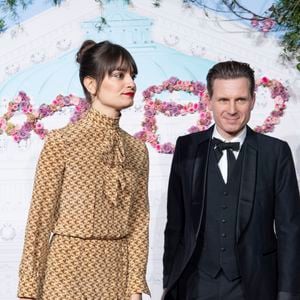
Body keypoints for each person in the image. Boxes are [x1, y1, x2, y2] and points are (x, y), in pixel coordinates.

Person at [17, 40, 150, 300]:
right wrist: (28, 291)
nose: (131, 83)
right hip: (66, 275)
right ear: (91, 84)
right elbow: (40, 219)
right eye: (119, 75)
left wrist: (135, 290)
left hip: (117, 277)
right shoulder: (62, 142)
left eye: (132, 76)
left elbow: (138, 224)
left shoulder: (137, 150)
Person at [162, 61, 300, 300]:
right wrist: (169, 282)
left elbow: (290, 230)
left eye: (241, 99)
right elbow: (175, 224)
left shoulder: (275, 152)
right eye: (223, 100)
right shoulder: (187, 147)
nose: (232, 109)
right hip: (195, 285)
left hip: (255, 286)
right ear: (209, 101)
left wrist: (288, 293)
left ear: (253, 101)